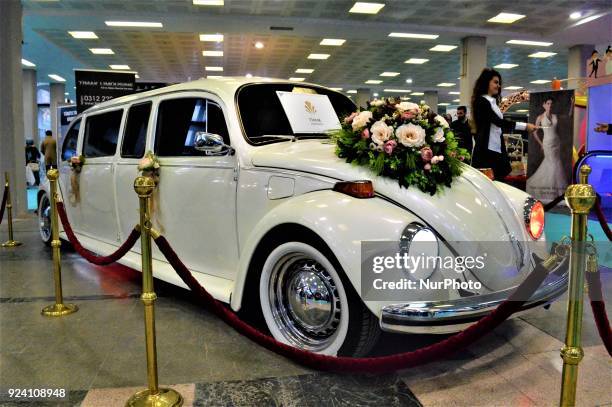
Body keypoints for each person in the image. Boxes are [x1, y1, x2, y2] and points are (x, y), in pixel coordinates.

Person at [471, 68, 537, 180]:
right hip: (486, 151)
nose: (498, 86)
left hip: (496, 149)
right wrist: (525, 126)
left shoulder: (493, 103)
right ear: (486, 82)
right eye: (495, 82)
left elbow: (497, 125)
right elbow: (498, 122)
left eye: (499, 83)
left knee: (498, 182)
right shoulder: (481, 101)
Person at [528, 97, 568, 197]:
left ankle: (556, 191)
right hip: (547, 143)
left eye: (551, 104)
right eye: (548, 103)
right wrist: (541, 144)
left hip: (556, 142)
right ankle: (550, 192)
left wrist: (572, 105)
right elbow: (534, 132)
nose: (550, 105)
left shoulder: (555, 116)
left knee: (557, 163)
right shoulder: (540, 118)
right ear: (544, 105)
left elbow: (569, 116)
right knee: (552, 164)